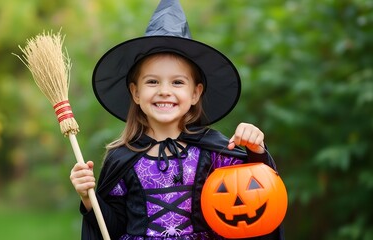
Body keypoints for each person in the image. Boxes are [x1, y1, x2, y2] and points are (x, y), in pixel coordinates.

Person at [70, 1, 285, 239]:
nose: (164, 91)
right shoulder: (122, 156)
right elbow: (111, 228)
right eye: (152, 81)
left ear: (195, 93)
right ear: (136, 92)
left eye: (177, 82)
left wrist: (256, 150)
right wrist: (87, 197)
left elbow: (256, 194)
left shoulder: (214, 151)